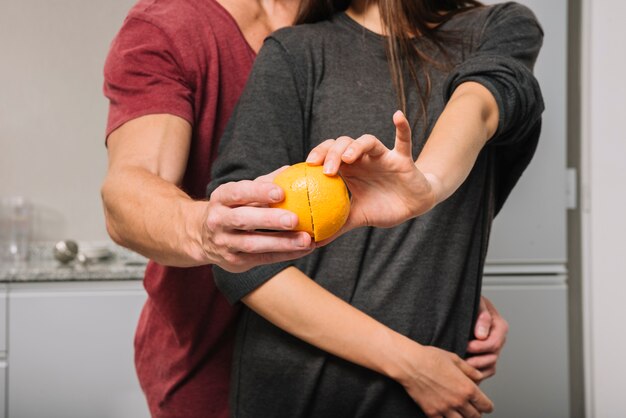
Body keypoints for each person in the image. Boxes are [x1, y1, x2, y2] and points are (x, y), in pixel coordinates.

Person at [101, 0, 509, 416]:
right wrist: (207, 229)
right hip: (211, 362)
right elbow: (127, 195)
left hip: (350, 365)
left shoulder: (361, 20)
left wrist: (443, 290)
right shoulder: (172, 28)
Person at [208, 0, 542, 416]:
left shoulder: (499, 28)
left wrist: (430, 191)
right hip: (300, 392)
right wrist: (412, 365)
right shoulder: (296, 52)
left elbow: (480, 103)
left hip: (434, 389)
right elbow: (238, 250)